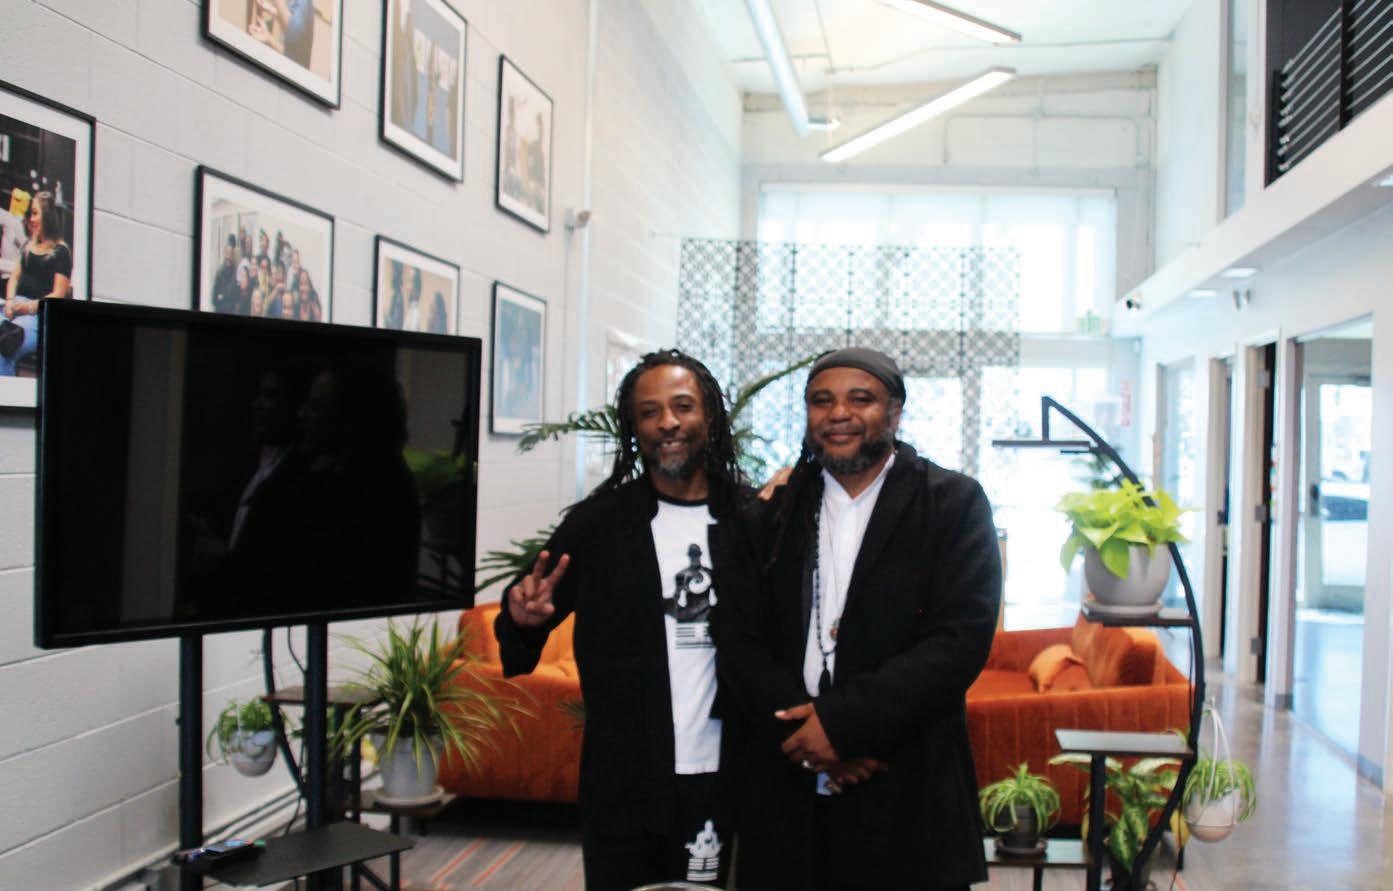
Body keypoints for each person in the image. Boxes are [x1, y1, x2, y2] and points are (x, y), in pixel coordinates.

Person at [714, 347, 1002, 891]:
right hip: (786, 787)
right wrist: (808, 738)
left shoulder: (952, 503)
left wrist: (842, 729)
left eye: (860, 399)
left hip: (906, 781)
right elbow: (736, 637)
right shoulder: (771, 512)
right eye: (821, 401)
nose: (838, 414)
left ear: (894, 413)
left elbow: (959, 639)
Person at [496, 350, 748, 891]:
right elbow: (530, 609)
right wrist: (523, 619)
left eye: (682, 406)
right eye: (649, 412)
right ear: (634, 429)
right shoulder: (599, 525)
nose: (668, 423)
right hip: (624, 778)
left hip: (723, 773)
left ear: (709, 416)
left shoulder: (750, 520)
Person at [1, 191, 72, 376]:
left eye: (34, 213)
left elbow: (58, 294)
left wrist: (29, 307)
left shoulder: (61, 252)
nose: (31, 219)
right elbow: (14, 277)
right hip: (15, 306)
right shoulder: (27, 246)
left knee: (5, 345)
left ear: (47, 216)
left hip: (36, 316)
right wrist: (10, 301)